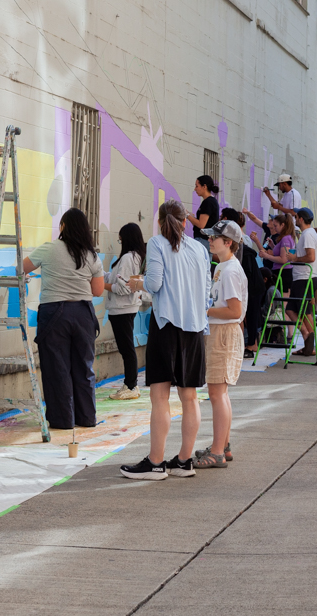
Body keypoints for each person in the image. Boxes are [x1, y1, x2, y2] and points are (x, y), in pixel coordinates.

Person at [121, 201, 210, 481]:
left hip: (167, 324)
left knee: (160, 396)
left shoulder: (158, 243)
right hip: (195, 327)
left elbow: (155, 284)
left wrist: (139, 283)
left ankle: (156, 462)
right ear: (185, 221)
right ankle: (184, 460)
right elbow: (207, 289)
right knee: (189, 396)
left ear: (160, 221)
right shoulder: (199, 248)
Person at [24, 208, 105, 429]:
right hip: (83, 314)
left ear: (63, 227)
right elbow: (97, 291)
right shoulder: (91, 255)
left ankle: (63, 421)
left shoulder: (49, 249)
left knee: (56, 368)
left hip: (54, 314)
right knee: (84, 367)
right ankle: (87, 418)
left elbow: (22, 267)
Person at [194, 220, 248, 469]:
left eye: (215, 237)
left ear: (229, 243)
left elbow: (235, 310)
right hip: (220, 332)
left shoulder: (229, 271)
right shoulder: (223, 266)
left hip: (223, 334)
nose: (210, 240)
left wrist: (205, 310)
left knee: (217, 393)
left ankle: (217, 451)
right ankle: (222, 446)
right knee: (220, 393)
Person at [106, 223, 147, 400]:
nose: (120, 242)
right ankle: (130, 384)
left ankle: (131, 385)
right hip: (126, 308)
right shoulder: (136, 257)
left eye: (121, 239)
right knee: (127, 348)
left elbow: (123, 288)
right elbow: (119, 279)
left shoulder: (128, 258)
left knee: (127, 348)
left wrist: (103, 286)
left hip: (122, 309)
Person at [223, 207, 265, 359]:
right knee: (244, 315)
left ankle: (248, 344)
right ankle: (246, 343)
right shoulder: (240, 243)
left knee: (246, 315)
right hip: (249, 280)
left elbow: (239, 262)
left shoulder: (238, 243)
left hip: (251, 282)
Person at [286, 208, 317, 356]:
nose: (295, 220)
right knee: (291, 310)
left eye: (296, 218)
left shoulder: (307, 234)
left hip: (306, 278)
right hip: (302, 278)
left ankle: (310, 343)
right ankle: (307, 337)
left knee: (305, 312)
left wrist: (295, 259)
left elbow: (310, 257)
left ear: (300, 218)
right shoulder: (308, 234)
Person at [186, 175, 221, 248]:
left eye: (197, 186)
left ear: (204, 187)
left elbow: (201, 225)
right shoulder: (210, 201)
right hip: (206, 241)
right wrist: (191, 217)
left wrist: (187, 215)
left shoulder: (208, 202)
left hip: (203, 240)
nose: (195, 189)